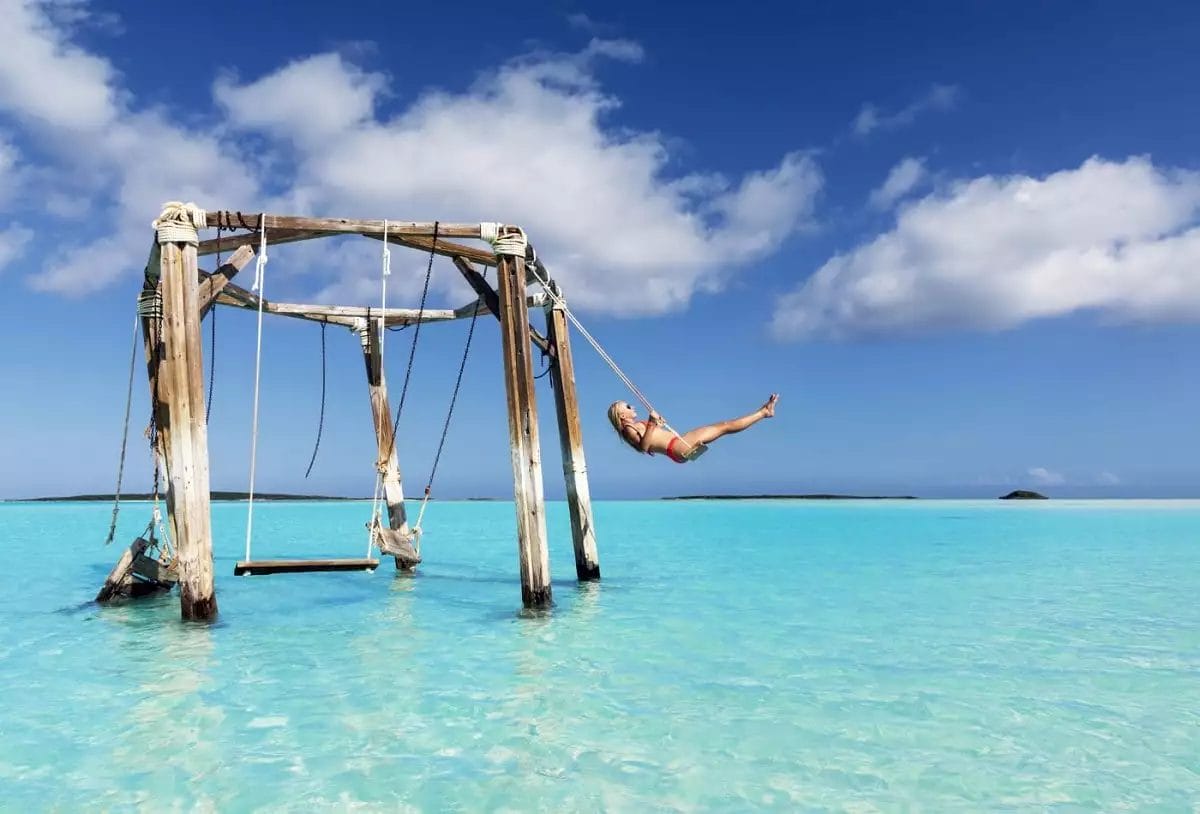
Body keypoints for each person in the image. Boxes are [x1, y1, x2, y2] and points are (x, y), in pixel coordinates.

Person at [606, 394, 778, 463]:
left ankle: (763, 412)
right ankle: (763, 412)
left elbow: (650, 439)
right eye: (627, 406)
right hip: (678, 447)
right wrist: (651, 422)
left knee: (724, 427)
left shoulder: (636, 426)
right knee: (725, 426)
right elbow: (643, 447)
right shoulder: (628, 429)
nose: (632, 407)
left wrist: (656, 424)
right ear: (622, 416)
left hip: (678, 445)